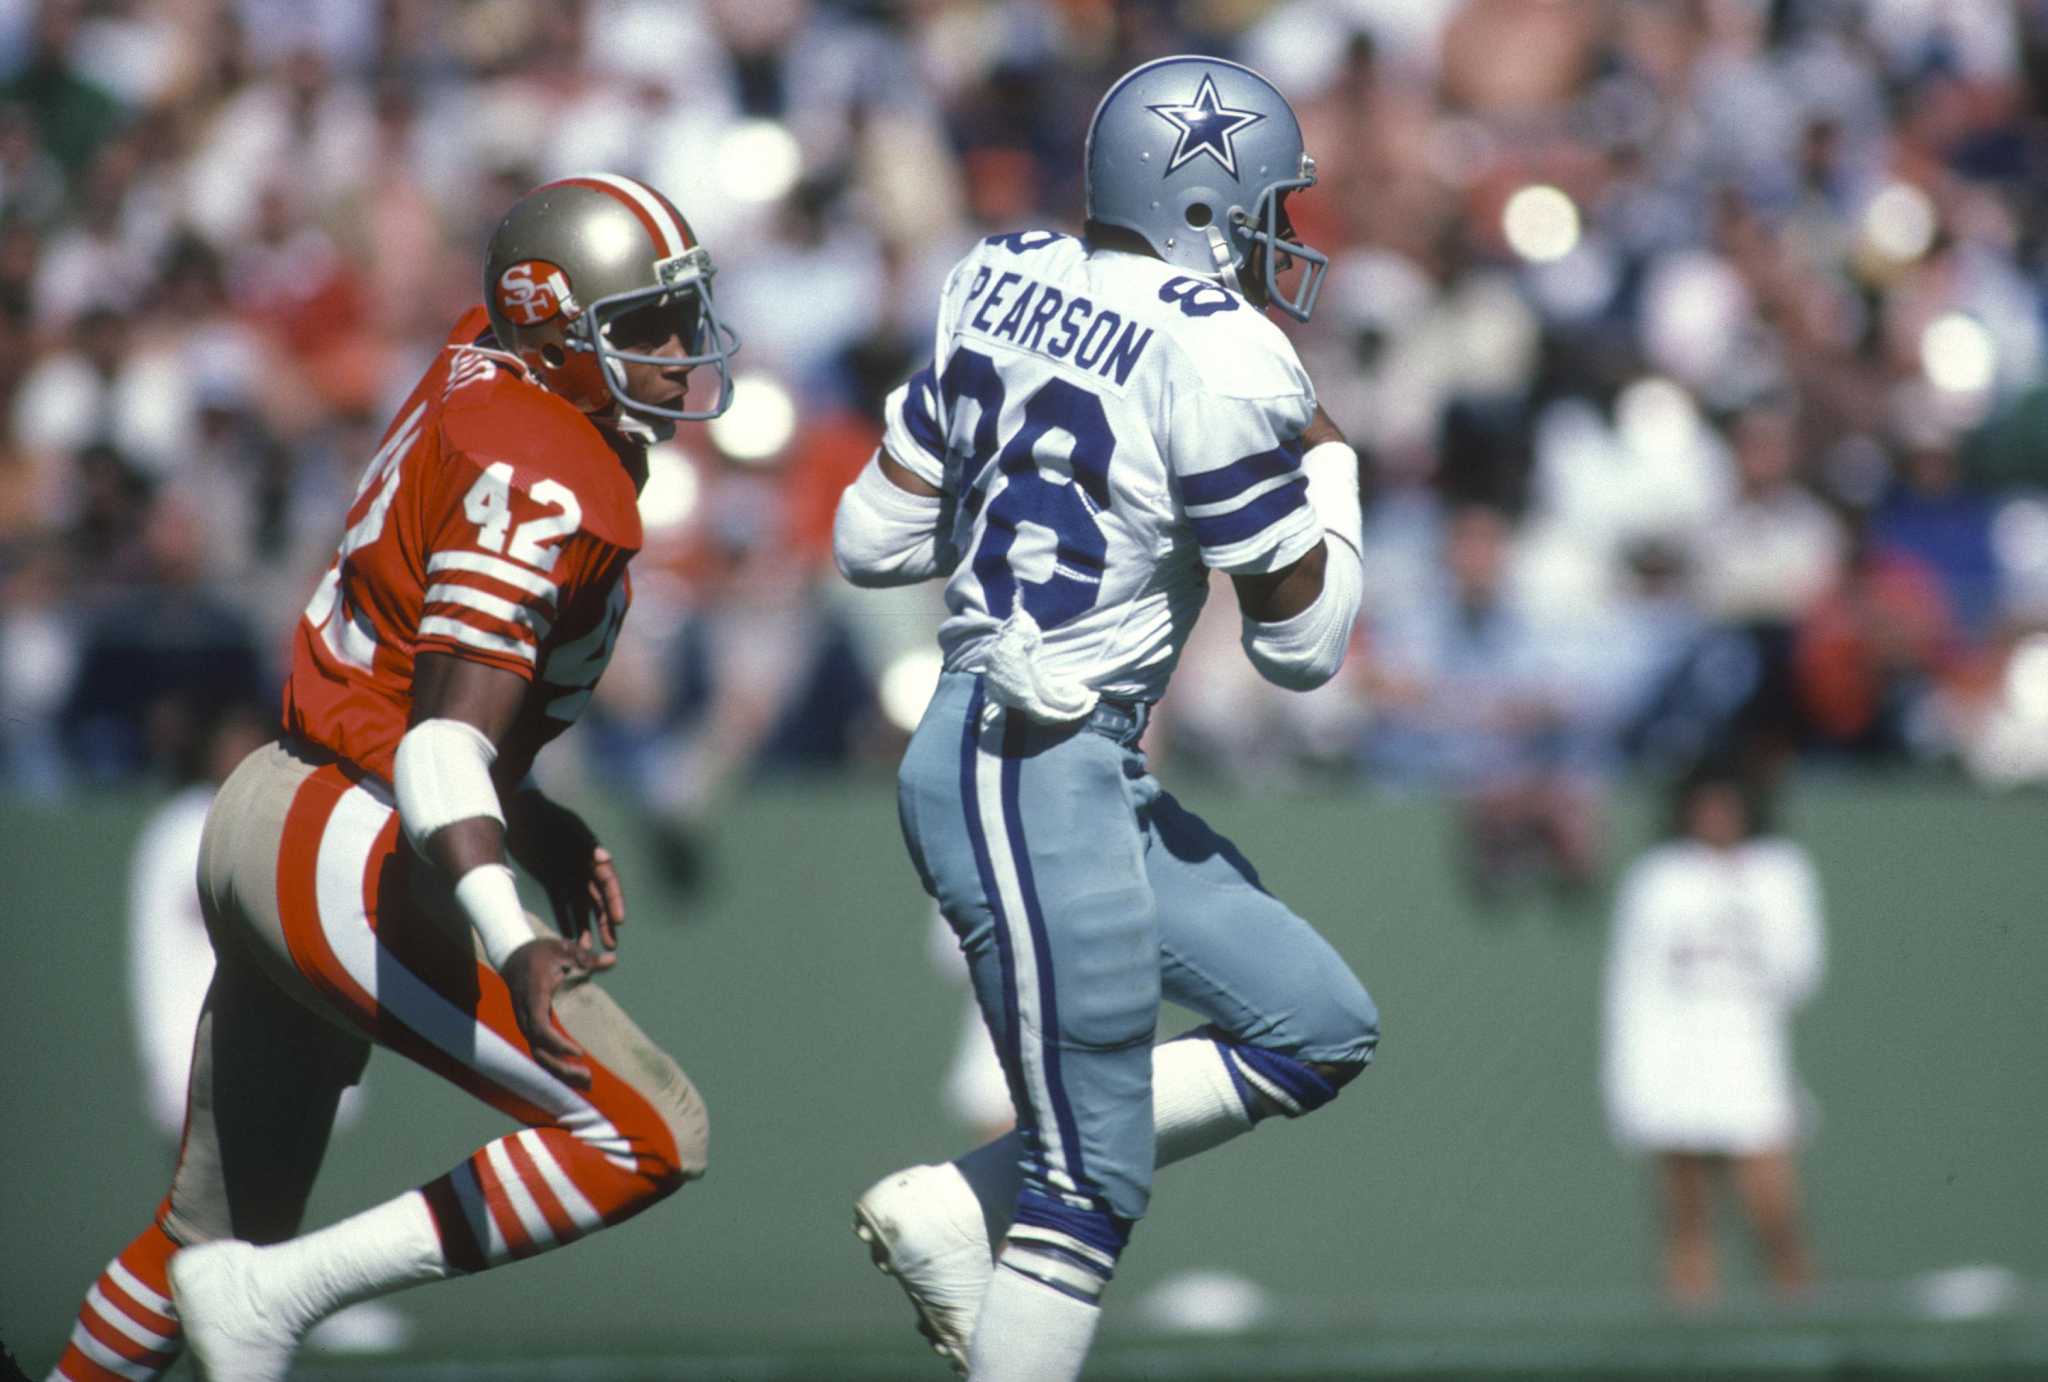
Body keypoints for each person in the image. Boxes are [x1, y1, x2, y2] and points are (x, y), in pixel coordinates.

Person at [49, 171, 737, 1382]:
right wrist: (508, 925)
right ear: (553, 332)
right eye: (641, 325)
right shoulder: (547, 476)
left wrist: (524, 809)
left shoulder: (489, 360)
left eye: (681, 314)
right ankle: (283, 1296)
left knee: (197, 1238)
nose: (680, 351)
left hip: (280, 801)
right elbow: (435, 743)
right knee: (645, 1129)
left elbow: (415, 675)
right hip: (346, 839)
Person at [833, 56, 1380, 1380]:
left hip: (1064, 766)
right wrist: (1336, 462)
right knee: (1090, 1186)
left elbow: (871, 533)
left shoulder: (997, 269)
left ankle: (958, 1203)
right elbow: (1304, 647)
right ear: (1206, 206)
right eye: (1265, 207)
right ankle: (999, 1227)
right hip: (1022, 760)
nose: (1280, 239)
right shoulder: (1229, 349)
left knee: (1316, 1019)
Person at [1601, 764, 1824, 1308]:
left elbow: (1800, 970)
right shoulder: (1659, 879)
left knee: (1774, 1211)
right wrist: (1633, 1083)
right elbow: (1632, 984)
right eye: (1705, 806)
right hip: (1674, 1067)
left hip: (1750, 1066)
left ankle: (1804, 1334)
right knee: (1685, 1214)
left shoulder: (1780, 873)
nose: (1716, 817)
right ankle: (1693, 1347)